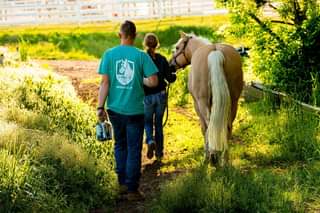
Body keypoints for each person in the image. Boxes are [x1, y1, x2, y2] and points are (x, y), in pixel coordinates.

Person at [97, 20, 158, 201]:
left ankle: (121, 183)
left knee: (120, 145)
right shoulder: (141, 56)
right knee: (133, 148)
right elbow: (154, 81)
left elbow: (105, 83)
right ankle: (132, 190)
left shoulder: (109, 54)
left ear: (120, 35)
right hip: (135, 111)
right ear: (135, 36)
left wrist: (100, 107)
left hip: (115, 110)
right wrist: (142, 81)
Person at [143, 33, 176, 162]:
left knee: (147, 121)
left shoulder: (142, 59)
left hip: (147, 97)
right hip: (161, 95)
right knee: (159, 124)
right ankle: (159, 153)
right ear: (157, 45)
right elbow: (170, 78)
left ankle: (150, 140)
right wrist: (173, 73)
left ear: (145, 44)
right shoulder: (162, 59)